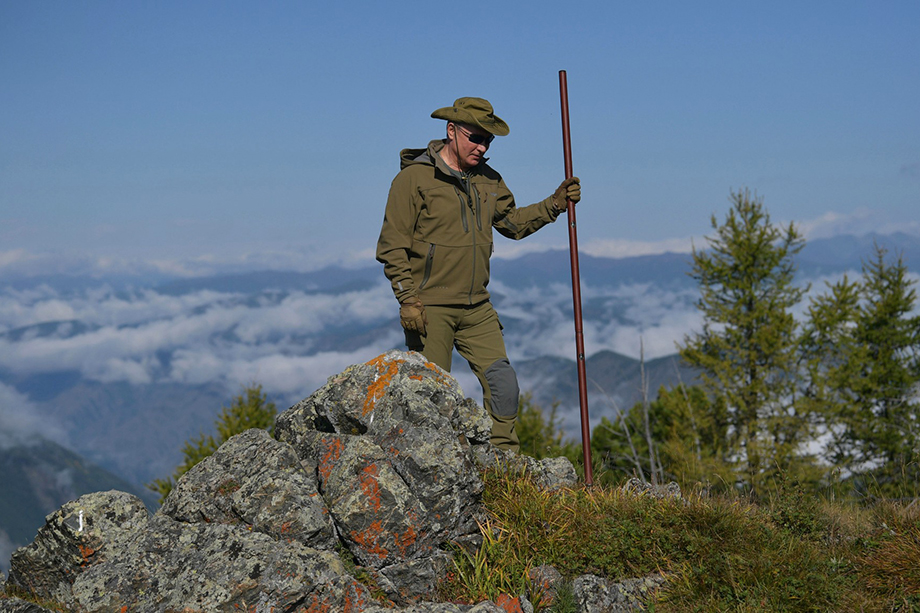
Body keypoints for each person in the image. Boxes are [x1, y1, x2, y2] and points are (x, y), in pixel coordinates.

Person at [376, 97, 581, 452]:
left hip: (477, 306)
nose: (482, 146)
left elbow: (513, 224)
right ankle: (432, 466)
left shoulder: (489, 180)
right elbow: (391, 245)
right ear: (451, 131)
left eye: (488, 140)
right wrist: (407, 299)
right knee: (430, 397)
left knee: (504, 383)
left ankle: (505, 462)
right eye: (475, 137)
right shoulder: (413, 180)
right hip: (430, 307)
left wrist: (555, 204)